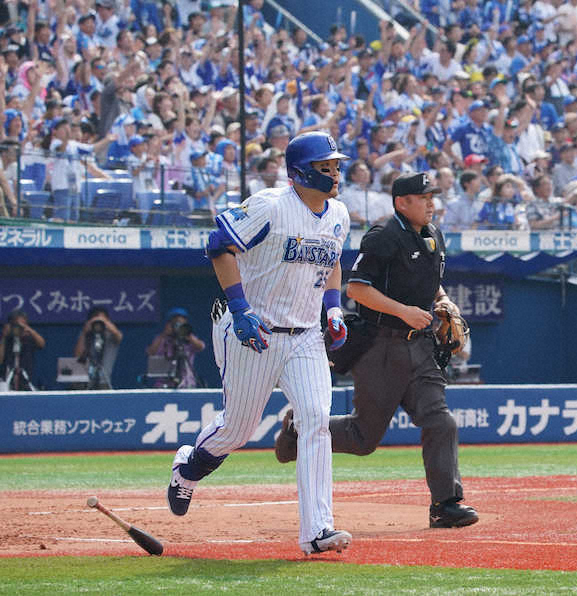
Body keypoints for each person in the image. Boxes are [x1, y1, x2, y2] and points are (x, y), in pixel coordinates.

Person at [166, 131, 353, 556]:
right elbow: (218, 245)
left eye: (337, 165)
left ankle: (317, 531)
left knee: (315, 418)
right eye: (327, 166)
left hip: (305, 334)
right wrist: (239, 308)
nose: (336, 172)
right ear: (302, 172)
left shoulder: (338, 213)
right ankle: (189, 468)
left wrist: (334, 309)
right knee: (238, 428)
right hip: (256, 330)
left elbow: (334, 259)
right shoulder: (270, 205)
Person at [274, 172, 479, 530]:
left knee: (441, 421)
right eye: (424, 197)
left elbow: (431, 285)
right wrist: (403, 311)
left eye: (433, 196)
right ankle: (299, 427)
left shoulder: (433, 235)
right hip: (381, 346)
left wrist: (445, 303)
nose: (432, 203)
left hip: (422, 348)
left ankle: (445, 504)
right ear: (402, 203)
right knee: (363, 437)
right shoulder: (384, 237)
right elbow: (356, 289)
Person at [145, 307, 206, 388]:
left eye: (181, 323)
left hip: (187, 383)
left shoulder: (189, 339)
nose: (178, 326)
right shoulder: (162, 339)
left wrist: (187, 333)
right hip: (164, 384)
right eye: (175, 323)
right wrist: (164, 334)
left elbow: (201, 347)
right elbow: (150, 352)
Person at [73, 307, 122, 390]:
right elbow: (77, 354)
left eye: (101, 321)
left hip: (104, 381)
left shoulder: (110, 336)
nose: (98, 324)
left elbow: (119, 336)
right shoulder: (86, 335)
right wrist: (85, 332)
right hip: (85, 381)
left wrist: (104, 322)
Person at [0, 309, 44, 391]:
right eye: (16, 324)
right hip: (7, 379)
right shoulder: (6, 340)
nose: (18, 328)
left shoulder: (28, 338)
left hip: (25, 378)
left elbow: (42, 344)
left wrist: (29, 330)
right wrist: (4, 337)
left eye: (22, 324)